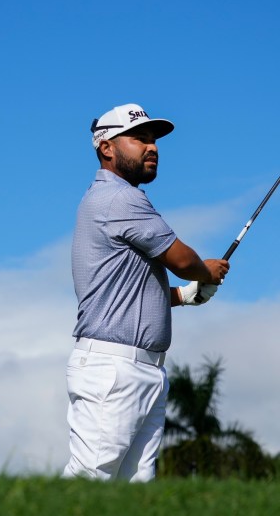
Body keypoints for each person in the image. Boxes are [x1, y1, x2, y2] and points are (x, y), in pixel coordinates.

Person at [62, 103, 229, 482]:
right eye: (139, 138)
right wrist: (207, 272)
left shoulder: (111, 200)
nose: (151, 147)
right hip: (115, 369)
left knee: (132, 490)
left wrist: (186, 296)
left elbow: (134, 291)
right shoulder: (120, 198)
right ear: (106, 147)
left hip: (141, 369)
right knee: (88, 480)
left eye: (153, 141)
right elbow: (183, 260)